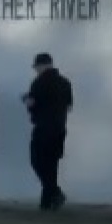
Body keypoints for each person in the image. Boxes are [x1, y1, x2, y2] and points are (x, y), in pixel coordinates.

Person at [24, 52, 73, 211]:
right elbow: (69, 106)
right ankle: (47, 202)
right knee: (51, 165)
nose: (36, 70)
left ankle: (55, 193)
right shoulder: (65, 82)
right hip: (59, 128)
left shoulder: (38, 82)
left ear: (42, 65)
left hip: (43, 128)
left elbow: (32, 103)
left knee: (37, 161)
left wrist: (27, 101)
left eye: (37, 67)